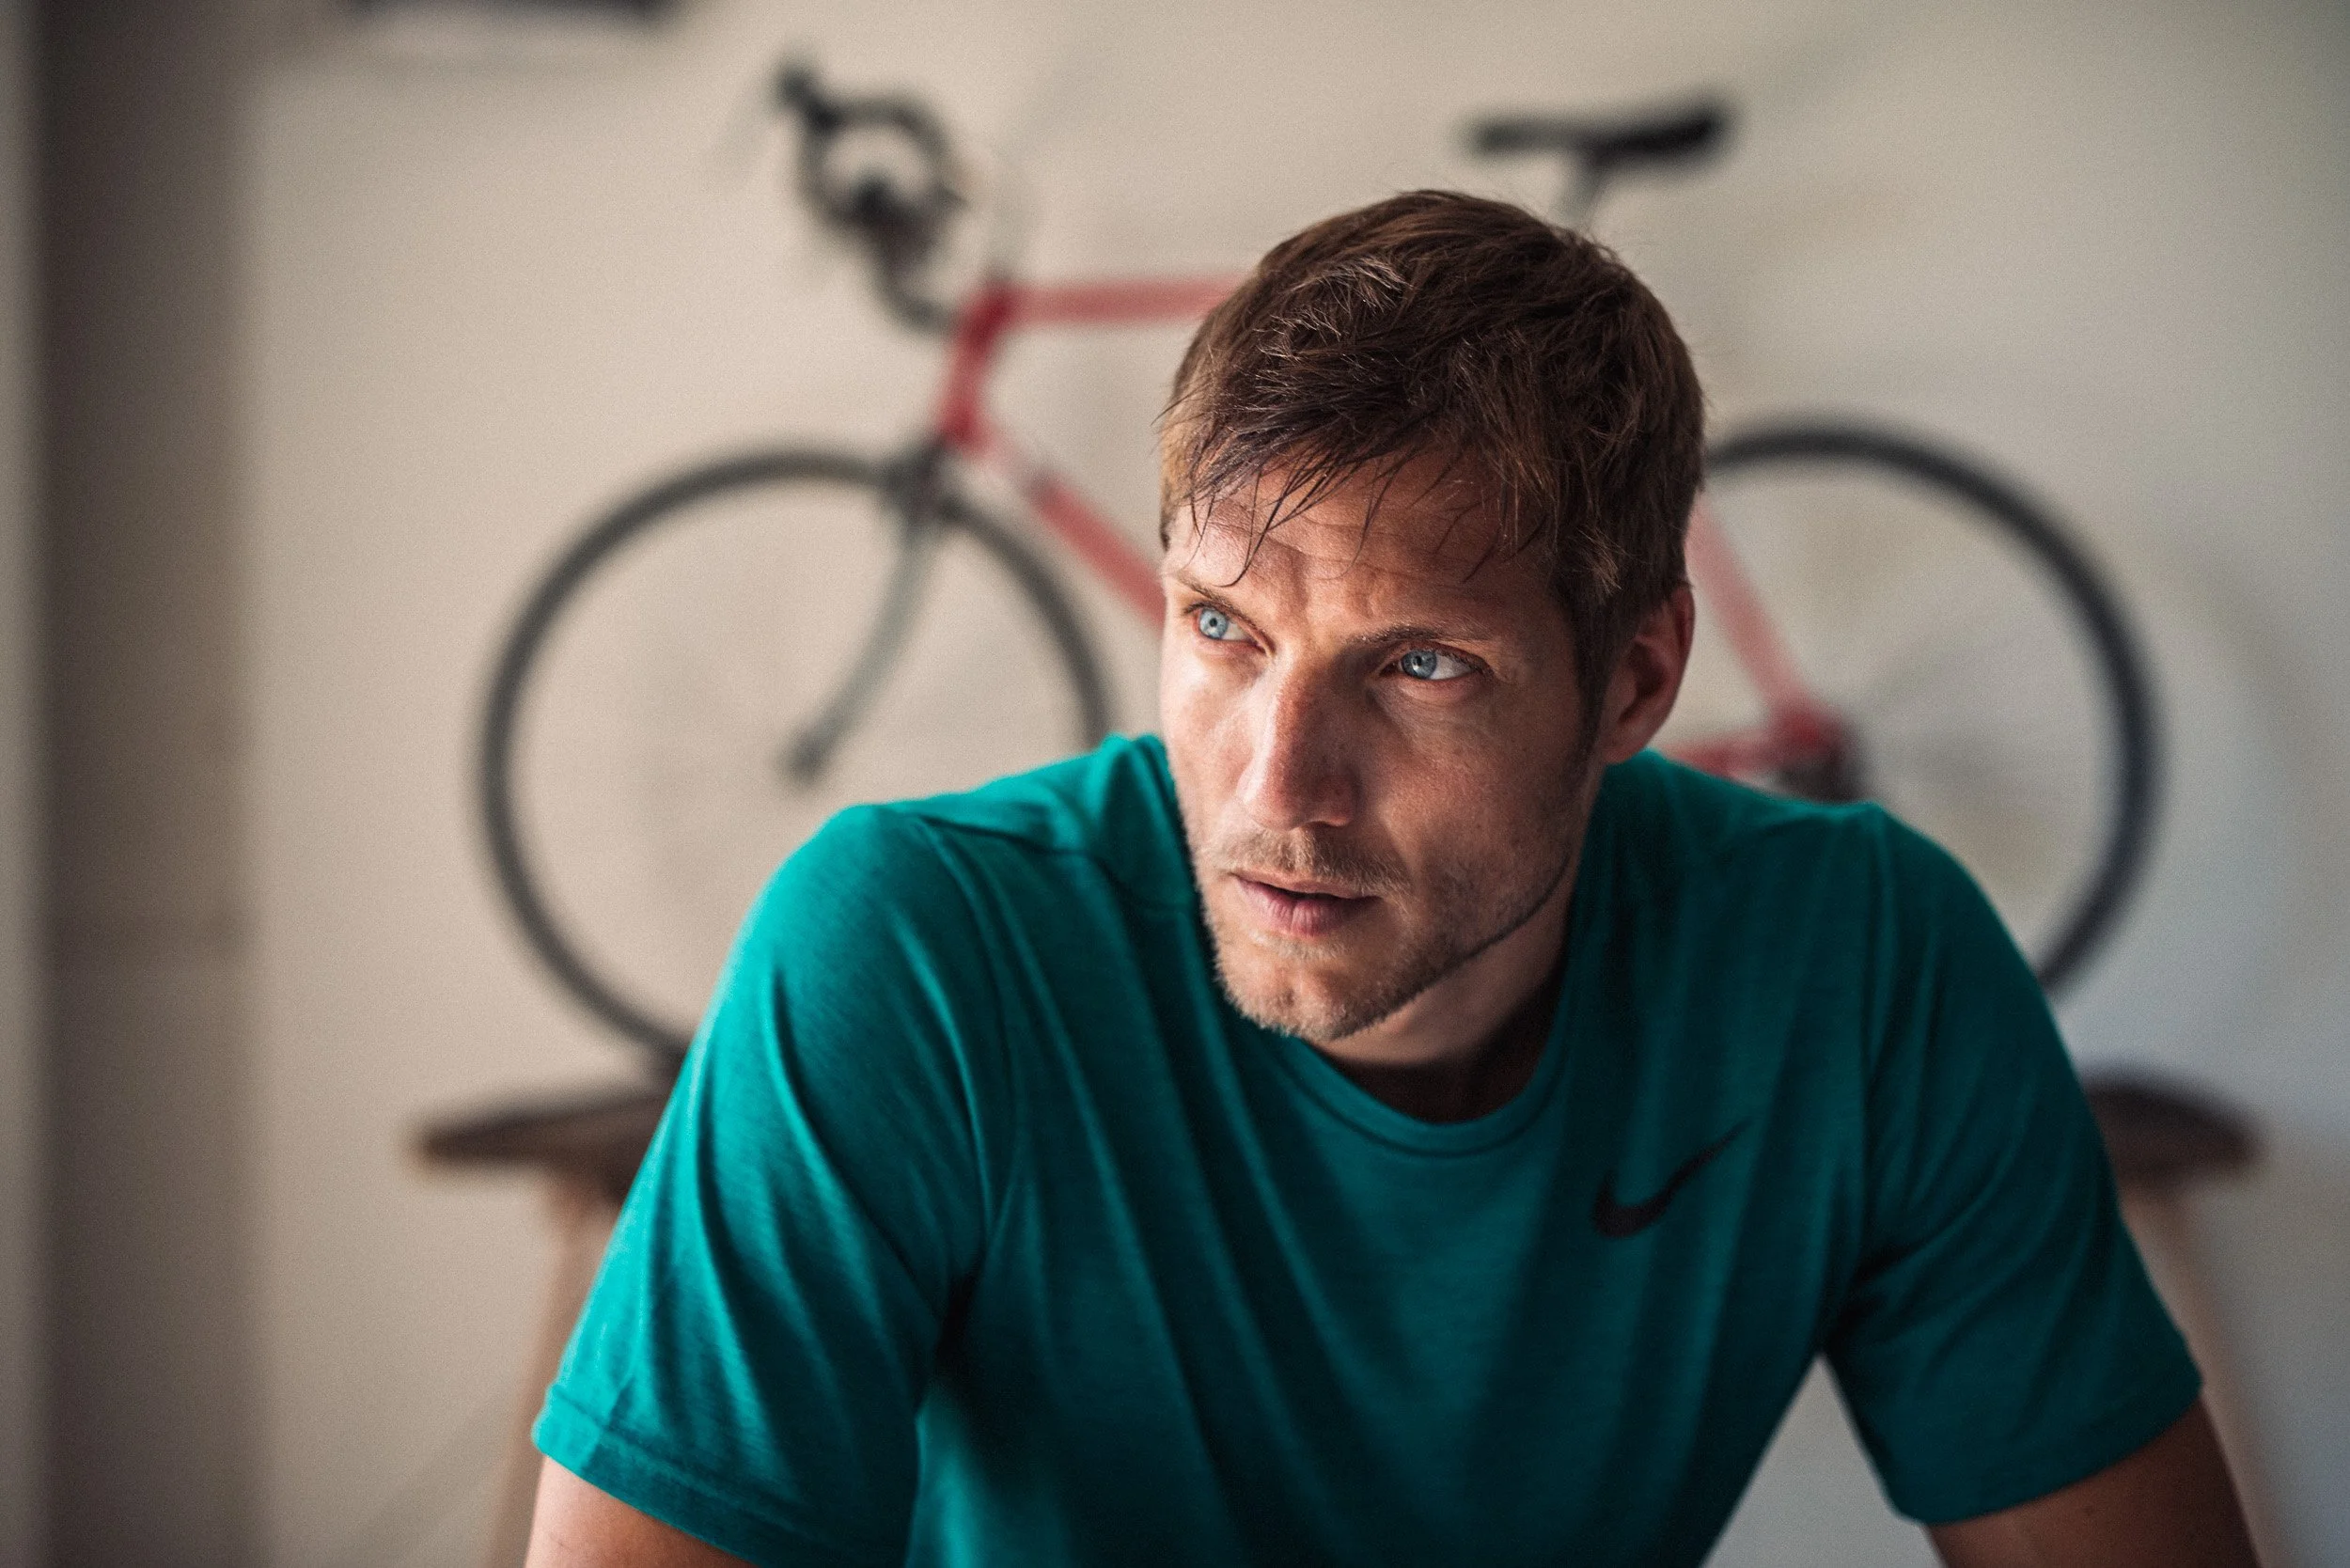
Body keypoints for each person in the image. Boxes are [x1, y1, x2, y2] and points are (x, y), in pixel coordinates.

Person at [525, 193, 2257, 1567]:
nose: (1278, 788)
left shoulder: (1862, 968)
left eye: (1421, 666)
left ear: (1639, 681)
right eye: (1222, 629)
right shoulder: (914, 951)